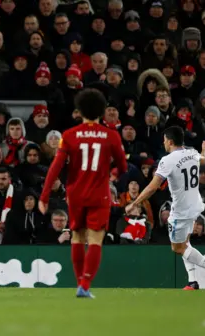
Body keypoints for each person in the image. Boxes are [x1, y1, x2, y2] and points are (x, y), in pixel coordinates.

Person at [39, 88, 128, 298]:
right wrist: (113, 173)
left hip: (75, 194)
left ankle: (80, 282)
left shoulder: (69, 135)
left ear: (79, 110)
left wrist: (44, 196)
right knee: (95, 239)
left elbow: (55, 167)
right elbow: (123, 166)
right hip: (99, 194)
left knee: (77, 237)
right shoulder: (111, 136)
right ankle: (85, 285)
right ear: (102, 110)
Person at [125, 126, 205, 290]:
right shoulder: (192, 153)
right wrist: (204, 149)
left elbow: (153, 187)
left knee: (177, 247)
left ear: (170, 141)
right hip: (194, 206)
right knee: (185, 243)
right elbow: (203, 159)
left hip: (180, 209)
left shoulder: (168, 160)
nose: (164, 142)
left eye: (165, 140)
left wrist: (135, 203)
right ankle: (192, 282)